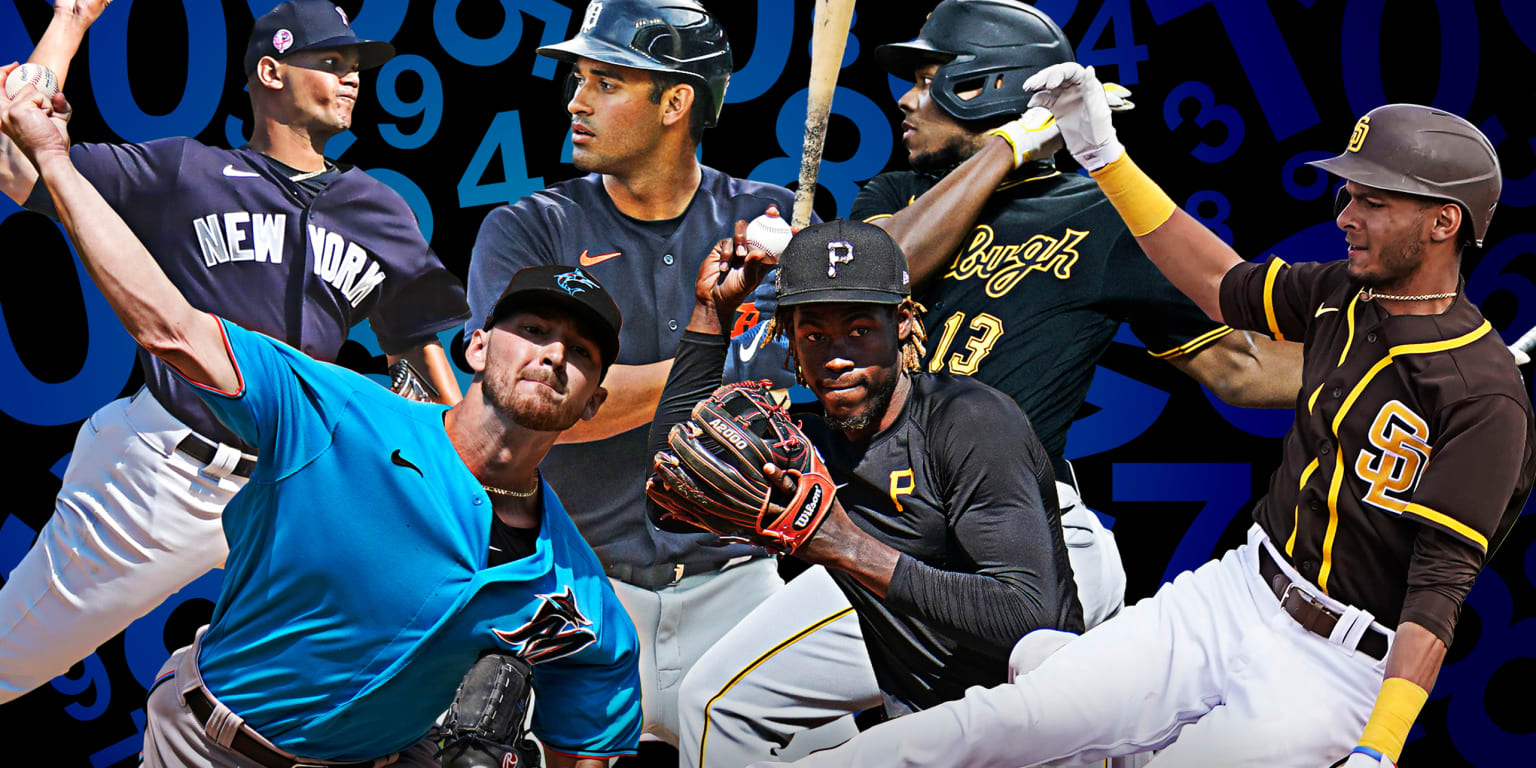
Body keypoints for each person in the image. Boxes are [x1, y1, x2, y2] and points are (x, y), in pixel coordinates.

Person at [745, 66, 1536, 768]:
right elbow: (1223, 284)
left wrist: (1381, 745)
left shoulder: (1484, 399)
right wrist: (1106, 159)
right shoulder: (1344, 293)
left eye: (1375, 199)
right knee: (995, 724)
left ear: (1445, 223)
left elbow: (1438, 593)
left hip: (1333, 666)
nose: (1347, 214)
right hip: (1236, 594)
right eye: (1349, 193)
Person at [2, 76, 642, 766]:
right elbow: (171, 328)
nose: (552, 353)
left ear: (594, 401)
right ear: (477, 346)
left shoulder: (579, 594)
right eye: (535, 328)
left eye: (580, 352)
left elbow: (589, 745)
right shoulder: (336, 414)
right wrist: (57, 162)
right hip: (210, 745)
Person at [729, 0, 1301, 627]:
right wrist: (1010, 146)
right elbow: (884, 268)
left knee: (730, 701)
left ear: (985, 86)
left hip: (1017, 515)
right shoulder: (898, 196)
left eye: (927, 82)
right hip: (892, 511)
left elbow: (1241, 368)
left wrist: (1394, 358)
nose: (906, 101)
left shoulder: (1101, 212)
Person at [0, 0, 469, 703]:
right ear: (271, 71)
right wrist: (69, 21)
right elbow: (18, 162)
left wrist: (473, 477)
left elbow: (417, 349)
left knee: (395, 659)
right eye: (332, 63)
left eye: (356, 68)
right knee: (9, 658)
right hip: (164, 476)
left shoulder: (379, 209)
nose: (352, 80)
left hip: (298, 486)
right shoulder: (185, 172)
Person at [464, 0, 818, 748]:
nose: (576, 101)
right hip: (580, 587)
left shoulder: (774, 218)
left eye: (605, 81)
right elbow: (543, 407)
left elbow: (785, 398)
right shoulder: (532, 229)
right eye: (579, 78)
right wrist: (714, 342)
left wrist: (810, 277)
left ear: (676, 102)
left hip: (740, 584)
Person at [658, 220, 1084, 768]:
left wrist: (842, 544)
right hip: (932, 711)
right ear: (788, 339)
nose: (836, 356)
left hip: (1040, 726)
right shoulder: (805, 445)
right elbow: (675, 467)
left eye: (859, 330)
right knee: (714, 702)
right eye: (813, 335)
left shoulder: (967, 419)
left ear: (903, 323)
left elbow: (1029, 618)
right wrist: (710, 316)